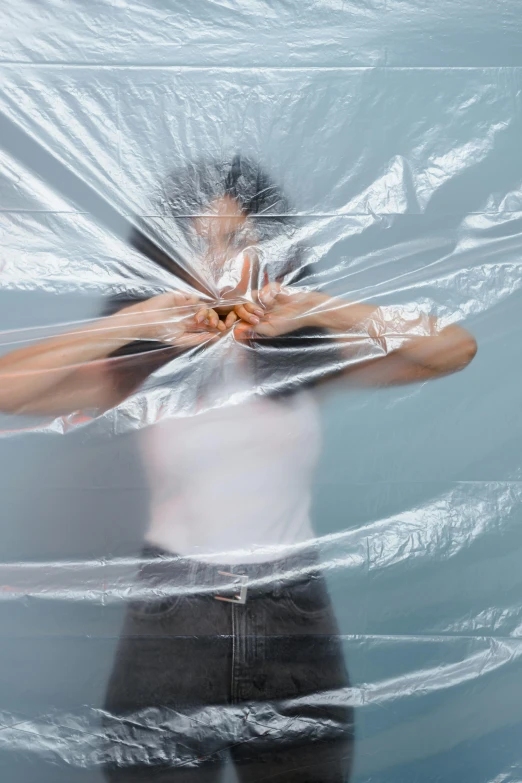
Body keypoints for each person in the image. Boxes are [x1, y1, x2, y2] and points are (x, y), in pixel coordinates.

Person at [0, 156, 477, 782]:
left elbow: (453, 350)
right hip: (172, 617)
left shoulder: (306, 358)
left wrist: (316, 309)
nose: (221, 262)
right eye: (200, 243)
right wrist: (133, 324)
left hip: (295, 617)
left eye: (241, 240)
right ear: (165, 257)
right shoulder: (140, 368)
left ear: (273, 247)